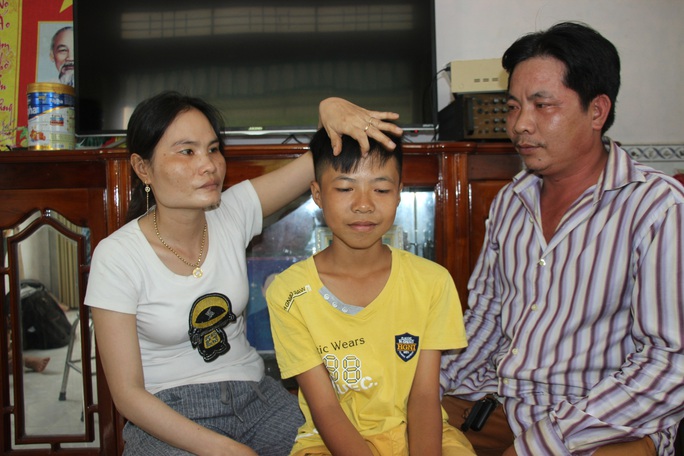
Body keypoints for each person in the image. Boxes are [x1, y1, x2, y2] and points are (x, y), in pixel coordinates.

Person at [84, 91, 403, 455]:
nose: (209, 165)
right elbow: (127, 394)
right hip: (169, 415)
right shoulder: (117, 256)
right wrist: (223, 448)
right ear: (143, 168)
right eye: (187, 151)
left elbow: (315, 159)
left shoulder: (231, 213)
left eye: (213, 149)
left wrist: (327, 108)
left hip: (257, 399)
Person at [440, 21, 684, 456]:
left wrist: (547, 442)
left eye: (542, 105)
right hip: (502, 401)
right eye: (513, 107)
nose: (520, 125)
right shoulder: (511, 201)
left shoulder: (658, 208)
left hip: (605, 422)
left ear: (597, 111)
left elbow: (671, 362)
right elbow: (485, 317)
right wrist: (426, 385)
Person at [266, 129, 475, 456]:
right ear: (317, 194)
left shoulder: (432, 281)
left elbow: (422, 397)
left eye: (380, 189)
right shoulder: (288, 292)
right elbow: (325, 407)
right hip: (329, 442)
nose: (364, 204)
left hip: (418, 432)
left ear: (399, 193)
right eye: (346, 188)